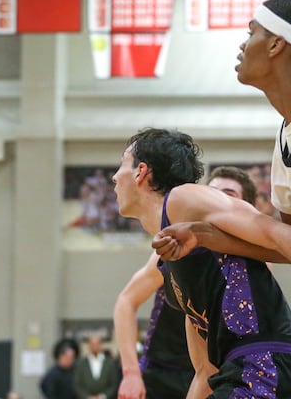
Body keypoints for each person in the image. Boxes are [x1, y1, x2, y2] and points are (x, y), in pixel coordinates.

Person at [116, 127, 291, 399]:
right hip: (239, 373)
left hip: (263, 366)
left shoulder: (183, 199)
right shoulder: (171, 265)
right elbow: (205, 371)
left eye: (122, 165)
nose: (115, 177)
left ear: (140, 171)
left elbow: (275, 235)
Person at [113, 165, 258, 399]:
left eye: (227, 195)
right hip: (162, 373)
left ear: (245, 208)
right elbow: (126, 301)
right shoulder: (176, 244)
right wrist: (130, 372)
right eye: (211, 194)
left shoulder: (254, 265)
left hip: (217, 374)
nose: (216, 201)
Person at [234, 0, 291, 223]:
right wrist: (206, 235)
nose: (243, 45)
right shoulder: (283, 137)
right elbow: (288, 241)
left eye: (251, 33)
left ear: (275, 44)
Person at [73, 335, 118, 399]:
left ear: (101, 345)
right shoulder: (81, 364)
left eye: (97, 344)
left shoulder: (110, 363)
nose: (95, 346)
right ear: (89, 346)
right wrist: (87, 397)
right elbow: (77, 384)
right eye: (92, 344)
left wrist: (102, 396)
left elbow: (114, 384)